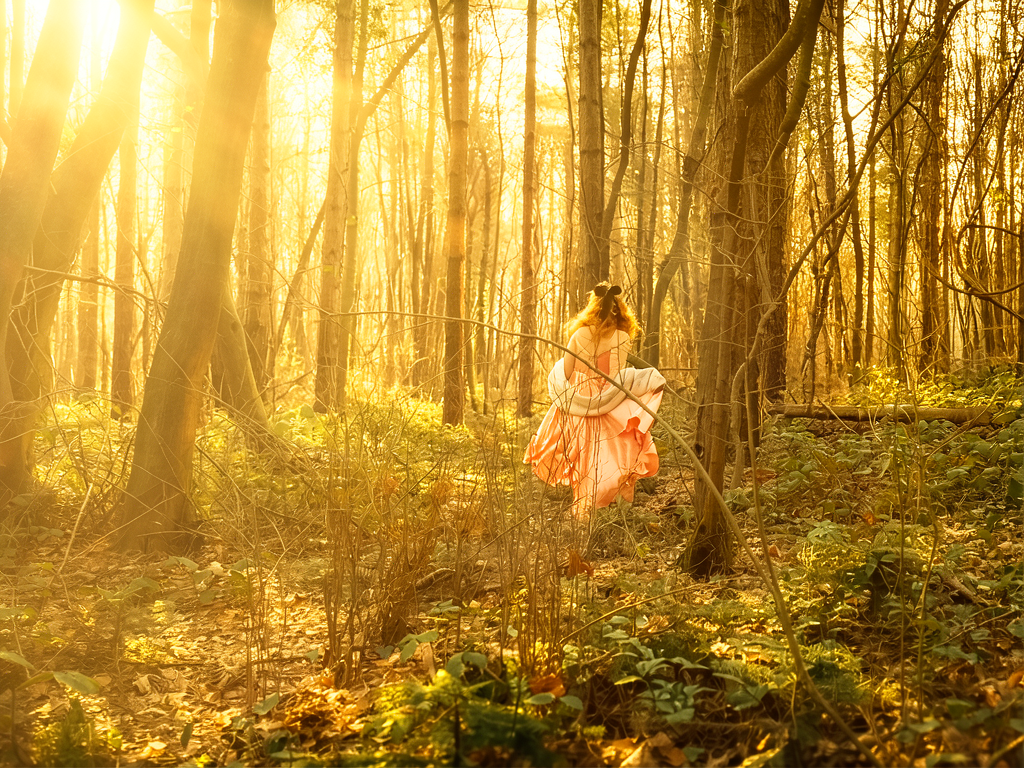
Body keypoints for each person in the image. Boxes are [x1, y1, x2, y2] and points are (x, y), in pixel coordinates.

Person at [525, 283, 665, 519]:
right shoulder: (621, 338)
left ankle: (583, 510)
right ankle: (601, 507)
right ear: (619, 311)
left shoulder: (579, 335)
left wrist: (576, 387)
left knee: (580, 453)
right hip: (605, 400)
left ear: (593, 308)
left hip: (577, 402)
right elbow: (615, 377)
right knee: (606, 452)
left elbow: (567, 372)